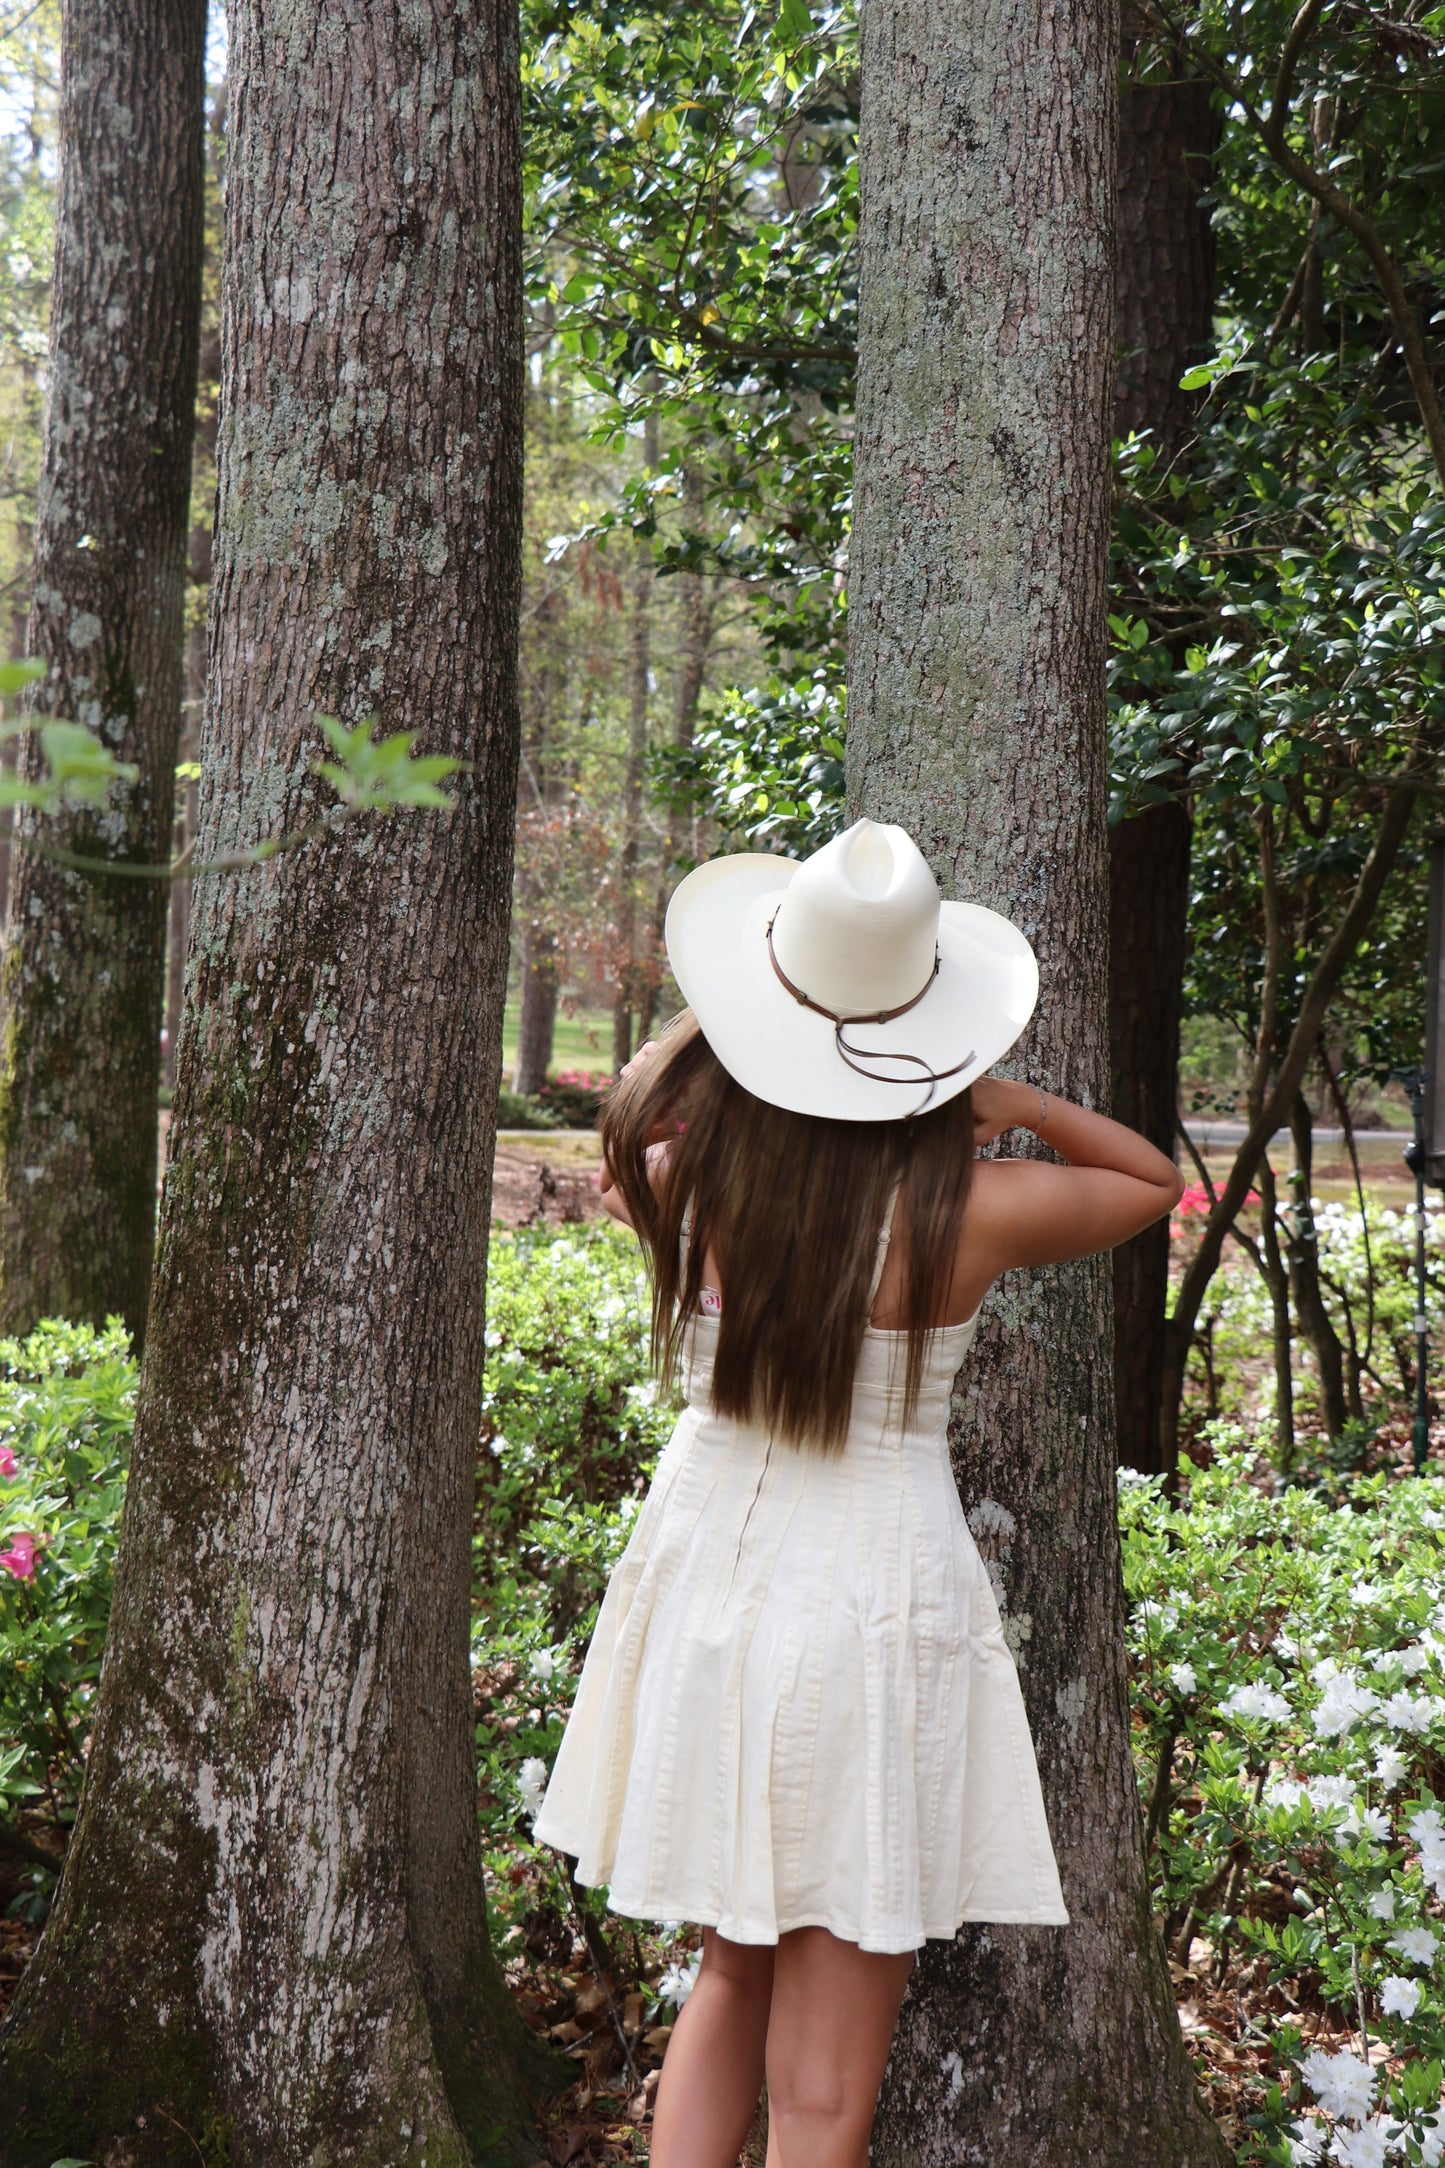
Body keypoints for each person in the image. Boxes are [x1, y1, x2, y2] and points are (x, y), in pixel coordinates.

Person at [533, 818, 1183, 2168]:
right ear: (921, 1033)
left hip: (713, 1577)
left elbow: (625, 1134)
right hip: (869, 1600)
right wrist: (1008, 1102)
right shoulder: (968, 1208)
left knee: (730, 1968)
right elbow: (1148, 1181)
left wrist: (735, 1032)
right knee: (824, 2091)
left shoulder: (680, 1180)